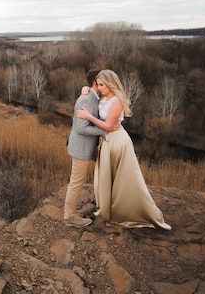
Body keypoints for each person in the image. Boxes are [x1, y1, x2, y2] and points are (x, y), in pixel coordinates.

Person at [77, 69, 171, 230]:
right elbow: (96, 105)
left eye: (101, 85)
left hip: (118, 142)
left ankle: (131, 212)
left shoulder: (117, 101)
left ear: (110, 84)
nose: (98, 88)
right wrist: (85, 90)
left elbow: (107, 125)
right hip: (108, 141)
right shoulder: (104, 98)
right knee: (109, 177)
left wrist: (89, 117)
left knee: (124, 180)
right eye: (97, 85)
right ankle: (110, 209)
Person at [63, 69, 112, 228]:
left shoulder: (92, 96)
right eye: (101, 82)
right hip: (81, 149)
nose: (103, 84)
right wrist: (105, 131)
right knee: (76, 183)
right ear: (94, 83)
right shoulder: (86, 99)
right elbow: (81, 129)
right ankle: (69, 218)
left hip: (86, 147)